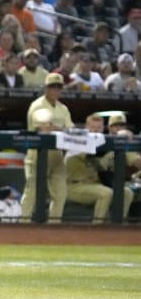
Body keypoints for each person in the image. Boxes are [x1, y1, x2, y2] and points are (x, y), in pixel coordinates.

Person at [20, 73, 74, 223]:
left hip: (57, 156)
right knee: (32, 192)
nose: (56, 90)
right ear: (45, 88)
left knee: (60, 193)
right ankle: (22, 225)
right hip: (38, 155)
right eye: (52, 87)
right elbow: (44, 129)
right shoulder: (37, 105)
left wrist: (59, 128)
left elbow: (70, 130)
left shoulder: (63, 108)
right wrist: (59, 128)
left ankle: (54, 226)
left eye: (58, 87)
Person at [65, 114, 134, 223]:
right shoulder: (79, 140)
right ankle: (97, 227)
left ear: (103, 129)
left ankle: (117, 225)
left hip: (94, 185)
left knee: (126, 192)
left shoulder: (101, 142)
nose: (96, 131)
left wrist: (122, 135)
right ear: (86, 128)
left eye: (99, 128)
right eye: (92, 128)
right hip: (74, 186)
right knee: (106, 193)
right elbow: (95, 152)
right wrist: (118, 136)